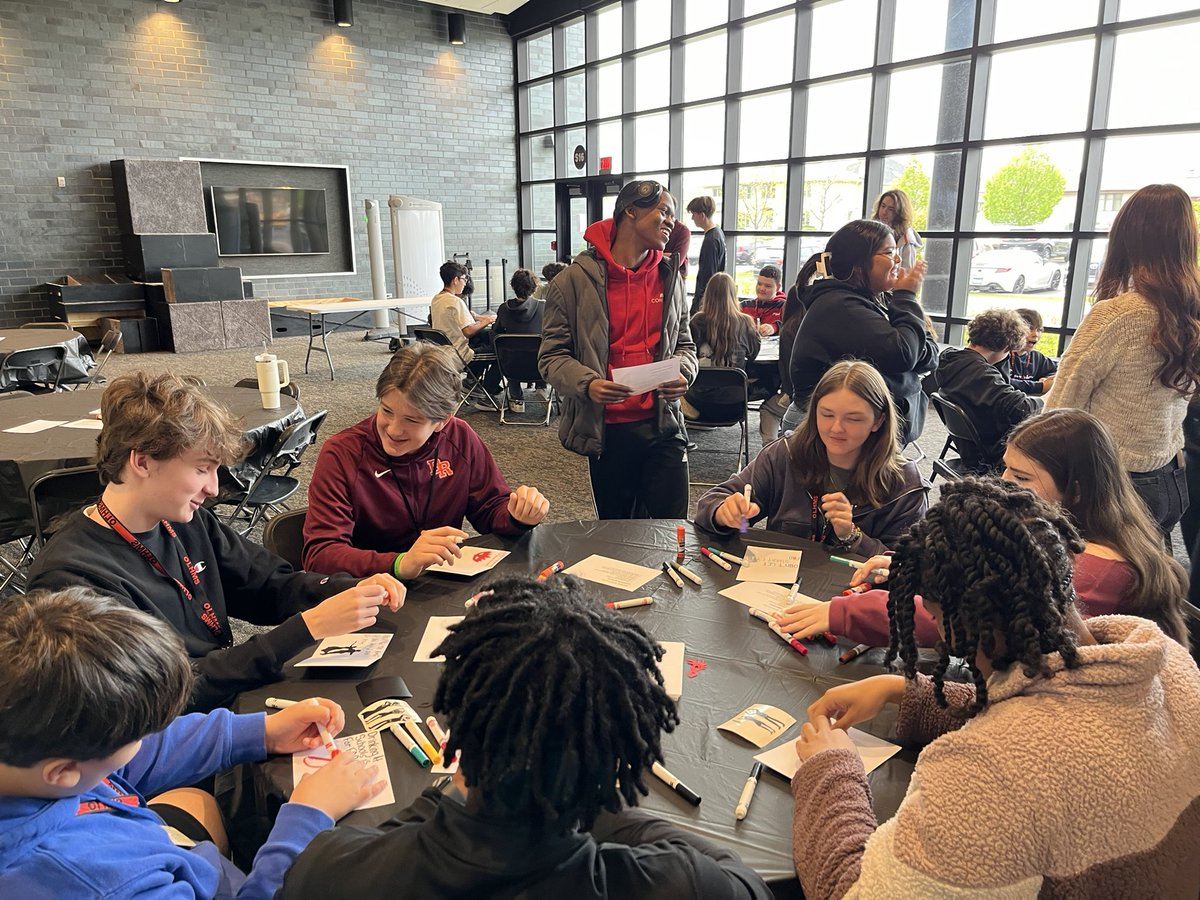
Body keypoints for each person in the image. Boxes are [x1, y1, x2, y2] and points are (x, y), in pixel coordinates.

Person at [789, 478, 1200, 898]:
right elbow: (1055, 710)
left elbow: (854, 893)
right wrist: (906, 689)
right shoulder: (1167, 662)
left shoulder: (992, 777)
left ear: (957, 623)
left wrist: (830, 769)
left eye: (933, 614)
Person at [278, 576, 772, 900]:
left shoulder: (329, 873)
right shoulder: (680, 885)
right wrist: (594, 797)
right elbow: (746, 884)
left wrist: (446, 798)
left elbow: (399, 842)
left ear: (458, 719)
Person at [26, 372, 404, 713]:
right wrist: (305, 629)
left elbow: (268, 586)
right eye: (201, 468)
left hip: (224, 701)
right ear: (142, 462)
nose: (212, 488)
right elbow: (159, 695)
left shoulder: (186, 522)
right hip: (173, 737)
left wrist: (347, 588)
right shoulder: (72, 579)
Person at [0, 587, 384, 899]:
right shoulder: (95, 882)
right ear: (64, 772)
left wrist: (260, 732)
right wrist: (308, 815)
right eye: (137, 735)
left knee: (195, 800)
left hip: (154, 848)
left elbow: (137, 757)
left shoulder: (34, 755)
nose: (146, 740)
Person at [777, 409, 1190, 651]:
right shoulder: (1079, 535)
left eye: (1023, 478)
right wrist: (916, 567)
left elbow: (975, 614)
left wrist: (840, 611)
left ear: (1076, 491)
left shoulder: (1092, 572)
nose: (1003, 484)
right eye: (1006, 467)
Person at [304, 344, 549, 579]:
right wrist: (400, 563)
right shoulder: (342, 453)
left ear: (443, 421)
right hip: (366, 590)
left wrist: (517, 515)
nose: (393, 430)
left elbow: (489, 508)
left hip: (439, 581)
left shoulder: (459, 437)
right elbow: (321, 556)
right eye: (386, 411)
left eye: (412, 420)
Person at [1046, 183, 1200, 536]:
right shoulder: (1192, 309)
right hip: (1171, 475)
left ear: (1127, 236)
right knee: (1141, 581)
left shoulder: (1117, 315)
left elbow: (1059, 410)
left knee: (1093, 585)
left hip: (1113, 481)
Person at [539, 179, 696, 520]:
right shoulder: (571, 282)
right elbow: (551, 357)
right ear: (630, 211)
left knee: (674, 531)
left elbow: (685, 345)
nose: (673, 222)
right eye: (664, 212)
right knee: (618, 535)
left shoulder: (672, 278)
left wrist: (685, 371)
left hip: (664, 425)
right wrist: (588, 384)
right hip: (607, 431)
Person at [694, 360, 929, 557]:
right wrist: (726, 515)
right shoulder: (785, 453)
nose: (836, 428)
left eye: (853, 419)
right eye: (826, 414)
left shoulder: (905, 484)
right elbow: (715, 507)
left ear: (878, 421)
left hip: (854, 601)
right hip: (779, 591)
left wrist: (853, 535)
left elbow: (906, 568)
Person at [789, 219, 937, 445]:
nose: (898, 259)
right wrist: (906, 297)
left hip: (858, 427)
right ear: (857, 264)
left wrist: (911, 336)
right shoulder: (840, 307)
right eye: (889, 252)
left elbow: (928, 356)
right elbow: (905, 354)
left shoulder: (873, 300)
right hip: (825, 428)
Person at [935, 307, 1041, 471]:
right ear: (1006, 346)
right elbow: (1024, 409)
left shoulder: (951, 360)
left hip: (971, 447)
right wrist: (1051, 394)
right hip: (992, 455)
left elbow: (1002, 384)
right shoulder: (980, 373)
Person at [682, 273, 761, 422]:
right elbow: (753, 355)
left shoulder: (696, 322)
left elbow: (687, 354)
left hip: (698, 402)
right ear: (733, 294)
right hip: (734, 405)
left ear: (708, 294)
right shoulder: (746, 323)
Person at [430, 259, 502, 400]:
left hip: (441, 350)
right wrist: (487, 320)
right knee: (501, 352)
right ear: (456, 280)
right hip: (459, 354)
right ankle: (485, 390)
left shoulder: (437, 299)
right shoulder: (455, 301)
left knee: (483, 339)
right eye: (464, 279)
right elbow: (468, 331)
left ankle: (471, 381)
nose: (464, 283)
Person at [495, 267, 546, 413]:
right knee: (543, 346)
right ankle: (541, 387)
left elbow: (496, 332)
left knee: (510, 350)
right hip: (539, 367)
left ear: (513, 287)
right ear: (535, 287)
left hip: (512, 367)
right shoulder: (544, 307)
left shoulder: (504, 309)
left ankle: (517, 398)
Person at [1003, 307, 1057, 395]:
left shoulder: (1037, 358)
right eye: (1029, 329)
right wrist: (1040, 386)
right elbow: (1002, 382)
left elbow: (1055, 371)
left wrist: (1047, 378)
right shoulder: (1001, 355)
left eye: (1039, 330)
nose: (1035, 334)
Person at [687, 195, 726, 315]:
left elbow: (708, 274)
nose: (692, 218)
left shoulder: (711, 240)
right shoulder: (718, 233)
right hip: (712, 297)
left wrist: (699, 303)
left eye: (693, 214)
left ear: (702, 215)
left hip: (707, 300)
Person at [870, 188, 922, 271]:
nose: (884, 212)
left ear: (899, 213)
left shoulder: (906, 240)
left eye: (891, 209)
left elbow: (906, 273)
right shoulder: (870, 231)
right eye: (883, 206)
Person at [741, 264, 786, 336]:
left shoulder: (784, 307)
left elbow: (790, 328)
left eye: (767, 286)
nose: (761, 289)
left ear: (778, 287)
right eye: (759, 284)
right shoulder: (744, 306)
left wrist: (774, 327)